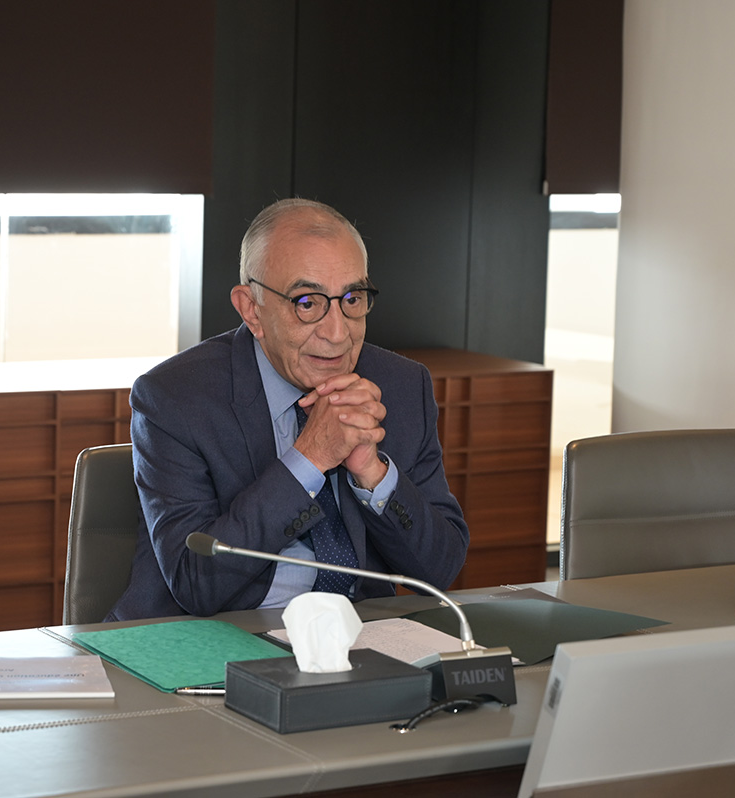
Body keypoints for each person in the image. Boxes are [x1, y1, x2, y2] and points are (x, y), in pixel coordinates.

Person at [107, 198, 469, 620]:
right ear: (251, 309)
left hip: (352, 636)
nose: (338, 333)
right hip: (214, 635)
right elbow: (197, 583)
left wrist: (373, 473)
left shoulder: (401, 386)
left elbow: (439, 570)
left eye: (352, 299)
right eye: (307, 302)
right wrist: (310, 459)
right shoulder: (175, 397)